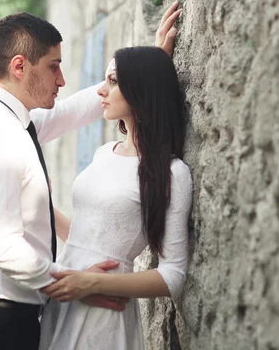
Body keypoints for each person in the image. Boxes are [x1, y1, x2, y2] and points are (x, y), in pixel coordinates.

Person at [0, 3, 181, 350]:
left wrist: (144, 73)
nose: (62, 80)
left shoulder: (13, 124)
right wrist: (74, 284)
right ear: (20, 66)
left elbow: (72, 111)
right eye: (54, 67)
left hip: (7, 320)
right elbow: (1, 246)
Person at [38, 45, 193, 350]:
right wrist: (41, 202)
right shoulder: (103, 153)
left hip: (104, 308)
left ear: (140, 89)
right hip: (63, 295)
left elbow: (173, 274)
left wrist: (92, 283)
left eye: (112, 81)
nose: (101, 91)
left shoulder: (172, 173)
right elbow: (85, 235)